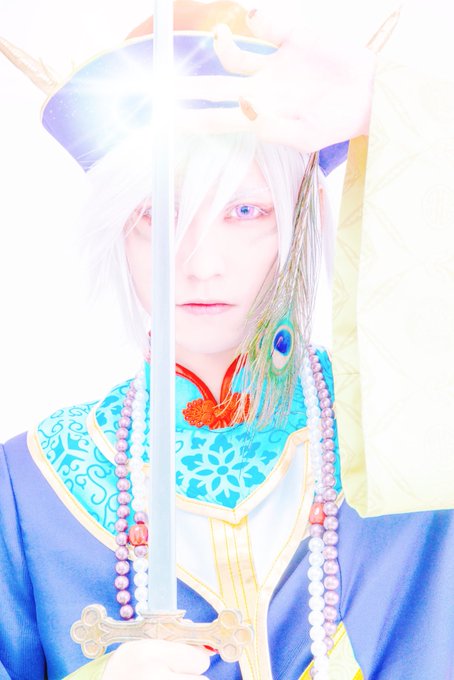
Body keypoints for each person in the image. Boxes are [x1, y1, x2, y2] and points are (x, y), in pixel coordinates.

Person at [1, 2, 454, 679]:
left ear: (300, 219)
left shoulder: (410, 432)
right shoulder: (29, 486)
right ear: (117, 227)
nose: (200, 261)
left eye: (245, 210)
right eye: (157, 213)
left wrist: (399, 113)